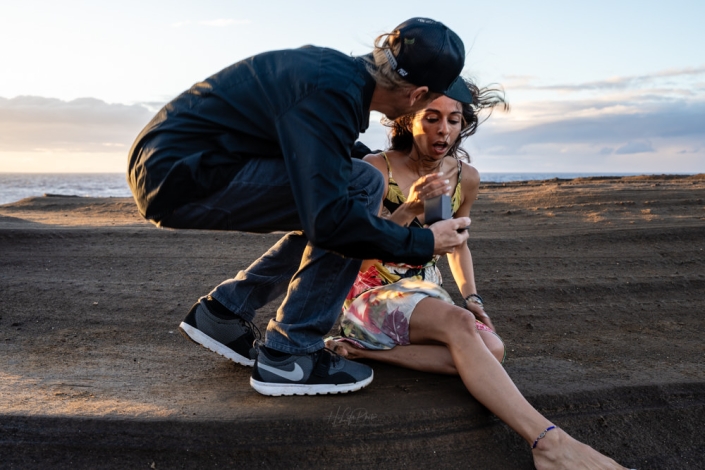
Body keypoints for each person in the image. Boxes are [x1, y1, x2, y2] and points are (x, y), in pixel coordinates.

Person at [127, 18, 474, 397]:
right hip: (179, 175)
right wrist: (422, 243)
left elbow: (317, 153)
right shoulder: (330, 93)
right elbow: (330, 221)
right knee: (358, 189)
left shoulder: (336, 79)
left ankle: (224, 312)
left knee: (356, 182)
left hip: (183, 165)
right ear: (416, 96)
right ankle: (290, 354)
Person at [326, 92, 629, 469]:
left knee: (493, 349)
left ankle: (361, 352)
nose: (444, 129)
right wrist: (409, 209)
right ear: (408, 121)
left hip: (423, 291)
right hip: (368, 292)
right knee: (460, 327)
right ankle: (549, 443)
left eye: (453, 120)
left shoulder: (466, 177)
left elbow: (457, 245)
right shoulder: (375, 169)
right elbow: (357, 256)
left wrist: (472, 298)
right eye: (431, 118)